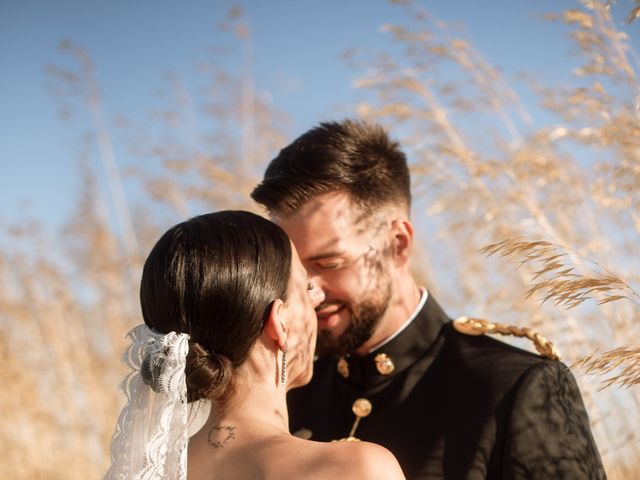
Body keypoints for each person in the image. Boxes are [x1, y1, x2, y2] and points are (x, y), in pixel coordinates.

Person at [251, 120, 607, 479]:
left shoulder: (512, 388)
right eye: (296, 270)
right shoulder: (288, 395)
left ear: (398, 243)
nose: (309, 290)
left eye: (329, 263)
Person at [105, 211, 405, 480]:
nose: (316, 299)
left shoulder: (151, 470)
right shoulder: (355, 470)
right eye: (304, 287)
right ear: (279, 324)